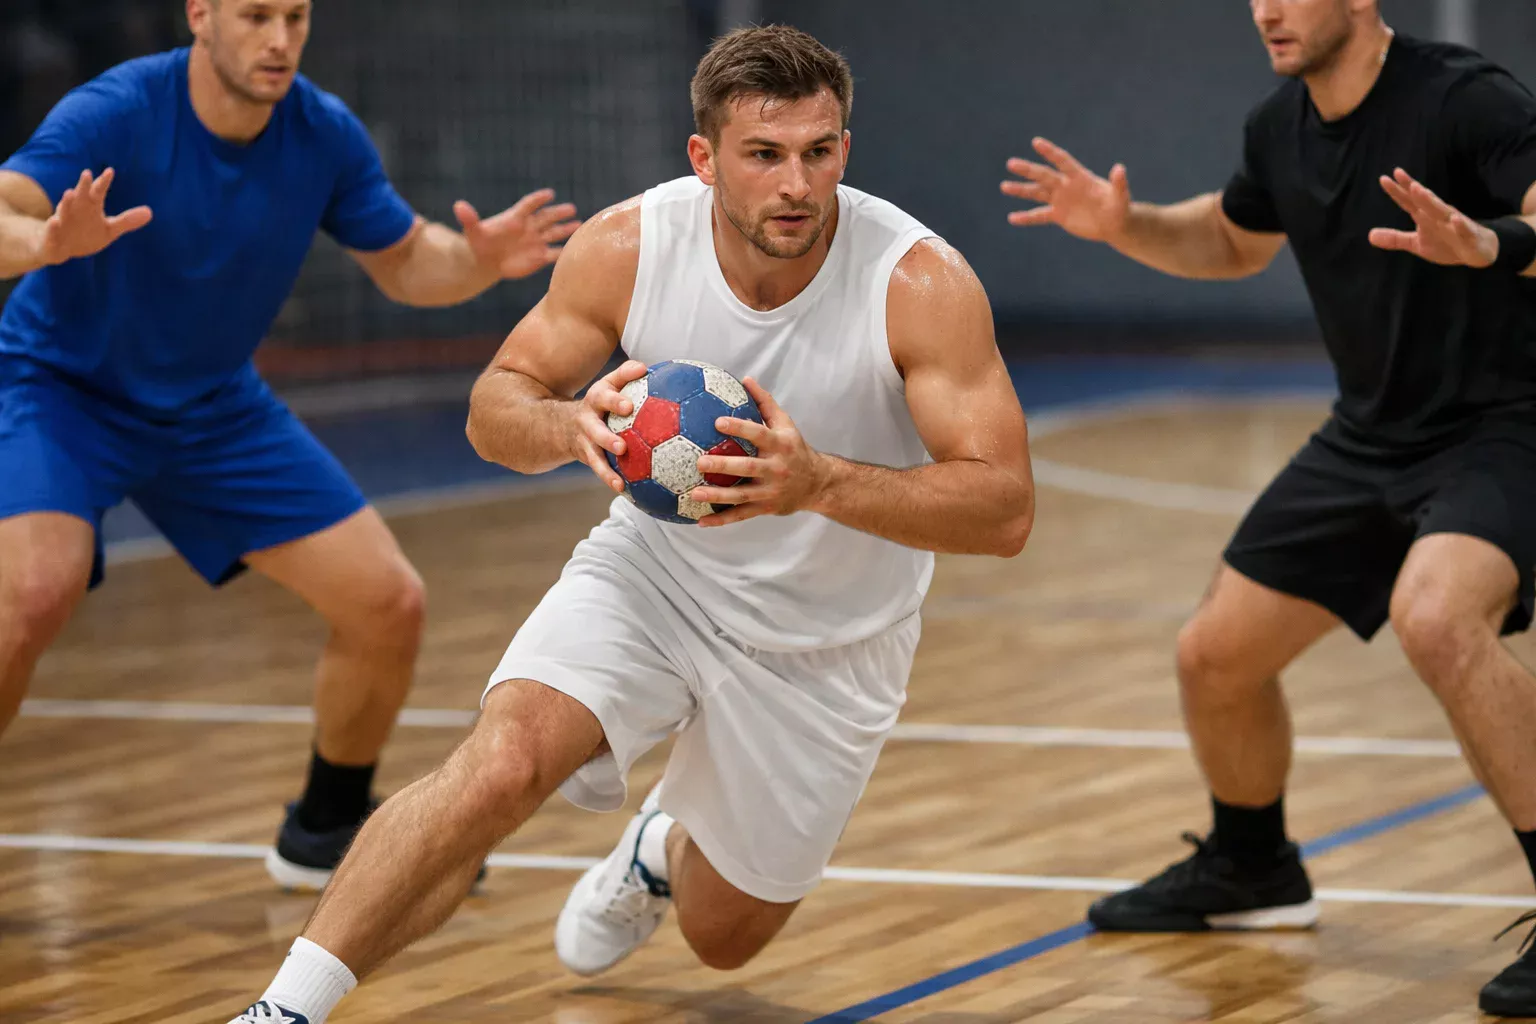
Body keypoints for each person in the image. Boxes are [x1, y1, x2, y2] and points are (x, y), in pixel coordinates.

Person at [225, 23, 1034, 1024]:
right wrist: (568, 425)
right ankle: (282, 1009)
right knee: (501, 763)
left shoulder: (919, 282)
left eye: (820, 152)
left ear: (845, 151)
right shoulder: (629, 246)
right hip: (656, 577)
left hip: (832, 640)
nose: (797, 183)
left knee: (724, 937)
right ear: (704, 159)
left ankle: (661, 845)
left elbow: (1004, 509)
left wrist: (816, 480)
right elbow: (494, 407)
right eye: (765, 154)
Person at [1001, 0, 1536, 1015]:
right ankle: (1254, 870)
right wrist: (1127, 225)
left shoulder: (1465, 100)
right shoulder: (1276, 127)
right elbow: (1231, 240)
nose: (1266, 9)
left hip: (1508, 423)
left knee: (1436, 616)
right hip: (1372, 436)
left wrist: (1492, 245)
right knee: (1215, 655)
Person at [0, 0, 578, 891]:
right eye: (256, 15)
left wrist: (477, 260)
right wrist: (44, 239)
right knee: (34, 593)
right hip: (62, 391)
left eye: (296, 17)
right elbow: (5, 207)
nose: (279, 40)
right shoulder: (116, 109)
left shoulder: (322, 131)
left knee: (389, 602)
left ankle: (325, 827)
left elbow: (406, 259)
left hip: (214, 408)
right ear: (200, 14)